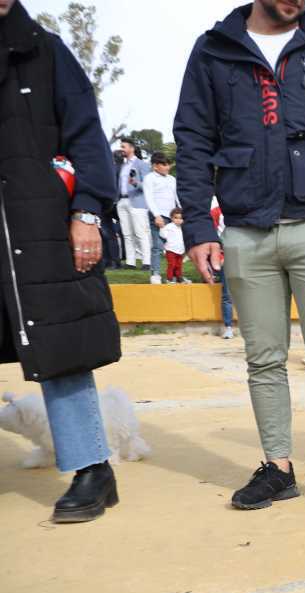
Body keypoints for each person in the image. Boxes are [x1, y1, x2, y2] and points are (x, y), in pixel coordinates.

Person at [174, 0, 305, 519]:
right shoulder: (214, 50)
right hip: (246, 229)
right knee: (263, 358)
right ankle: (278, 468)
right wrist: (198, 225)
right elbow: (193, 140)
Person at [0, 0, 122, 523]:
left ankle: (92, 468)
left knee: (61, 342)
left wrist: (88, 211)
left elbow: (86, 136)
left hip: (41, 225)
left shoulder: (45, 51)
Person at [115, 137, 151, 267]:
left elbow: (147, 185)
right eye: (121, 146)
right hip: (122, 201)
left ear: (131, 148)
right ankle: (131, 262)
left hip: (137, 202)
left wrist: (136, 183)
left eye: (123, 146)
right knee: (127, 233)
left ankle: (147, 261)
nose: (121, 149)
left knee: (140, 232)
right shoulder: (123, 166)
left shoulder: (142, 165)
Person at [144, 151, 178, 283]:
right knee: (158, 246)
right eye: (163, 164)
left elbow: (176, 197)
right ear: (155, 166)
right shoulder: (149, 178)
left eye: (168, 164)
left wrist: (180, 212)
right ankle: (155, 273)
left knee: (174, 246)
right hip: (157, 216)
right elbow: (149, 198)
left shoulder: (172, 179)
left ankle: (174, 275)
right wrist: (156, 215)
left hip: (172, 216)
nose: (167, 167)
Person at [210, 203, 236, 338]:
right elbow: (212, 235)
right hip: (225, 256)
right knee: (227, 294)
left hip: (244, 255)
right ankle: (228, 327)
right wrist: (219, 256)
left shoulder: (243, 206)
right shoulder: (216, 211)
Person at [160, 208, 189, 284]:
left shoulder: (183, 227)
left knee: (179, 265)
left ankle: (179, 278)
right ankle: (169, 279)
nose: (178, 220)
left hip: (180, 250)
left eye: (180, 218)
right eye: (176, 218)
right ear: (172, 218)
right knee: (172, 264)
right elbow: (163, 235)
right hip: (170, 250)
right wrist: (162, 228)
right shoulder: (169, 226)